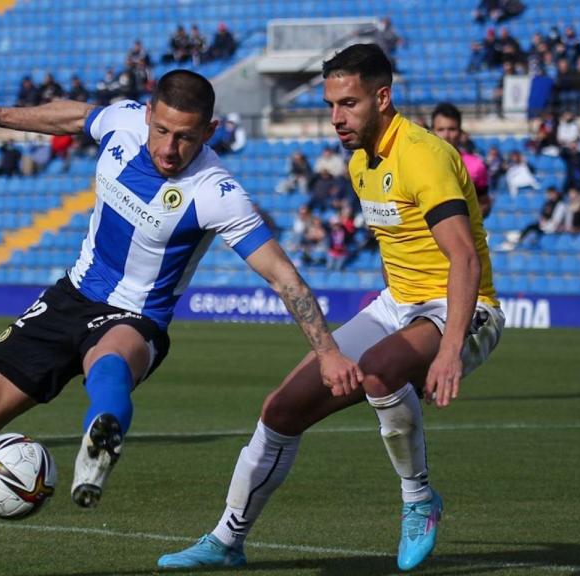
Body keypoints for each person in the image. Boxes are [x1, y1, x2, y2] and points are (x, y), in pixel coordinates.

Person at [0, 69, 361, 576]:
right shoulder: (122, 123)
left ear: (208, 133)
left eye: (186, 137)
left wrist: (328, 352)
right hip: (69, 296)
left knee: (111, 359)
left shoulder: (215, 191)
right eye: (162, 131)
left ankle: (102, 436)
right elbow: (74, 114)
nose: (169, 147)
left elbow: (282, 275)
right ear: (147, 115)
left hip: (136, 315)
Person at [158, 43, 504, 572]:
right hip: (399, 305)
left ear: (382, 97)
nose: (337, 118)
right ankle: (227, 540)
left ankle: (419, 502)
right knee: (281, 408)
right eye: (329, 105)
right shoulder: (361, 160)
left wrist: (449, 351)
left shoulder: (424, 156)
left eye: (349, 103)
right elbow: (399, 249)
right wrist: (386, 316)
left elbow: (463, 259)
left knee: (381, 372)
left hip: (463, 307)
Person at [431, 102, 492, 217]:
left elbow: (484, 203)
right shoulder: (419, 164)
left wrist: (467, 218)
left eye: (452, 129)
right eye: (441, 129)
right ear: (432, 131)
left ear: (460, 132)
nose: (446, 135)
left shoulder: (476, 165)